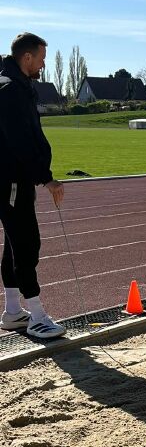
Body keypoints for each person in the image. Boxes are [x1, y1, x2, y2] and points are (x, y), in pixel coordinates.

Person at [0, 33, 65, 339]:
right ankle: (37, 316)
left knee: (15, 244)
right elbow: (20, 141)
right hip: (11, 180)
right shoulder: (10, 90)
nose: (42, 65)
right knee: (26, 243)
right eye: (41, 59)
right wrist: (46, 177)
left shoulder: (19, 86)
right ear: (26, 57)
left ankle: (13, 311)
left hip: (15, 178)